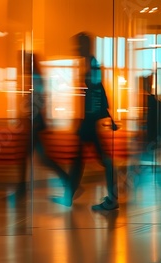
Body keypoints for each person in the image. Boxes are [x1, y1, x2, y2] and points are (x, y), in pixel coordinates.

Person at [51, 32, 119, 210]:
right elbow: (97, 92)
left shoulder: (92, 65)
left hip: (89, 122)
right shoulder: (89, 64)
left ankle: (112, 198)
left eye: (79, 45)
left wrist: (99, 116)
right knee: (81, 160)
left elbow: (97, 93)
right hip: (88, 121)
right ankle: (72, 196)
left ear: (85, 45)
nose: (76, 49)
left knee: (100, 160)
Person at [12, 52, 69, 200]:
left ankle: (21, 189)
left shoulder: (36, 79)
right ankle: (68, 181)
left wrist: (29, 116)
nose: (23, 66)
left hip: (35, 124)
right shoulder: (36, 78)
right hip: (35, 124)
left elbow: (38, 101)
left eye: (25, 63)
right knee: (42, 159)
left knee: (27, 157)